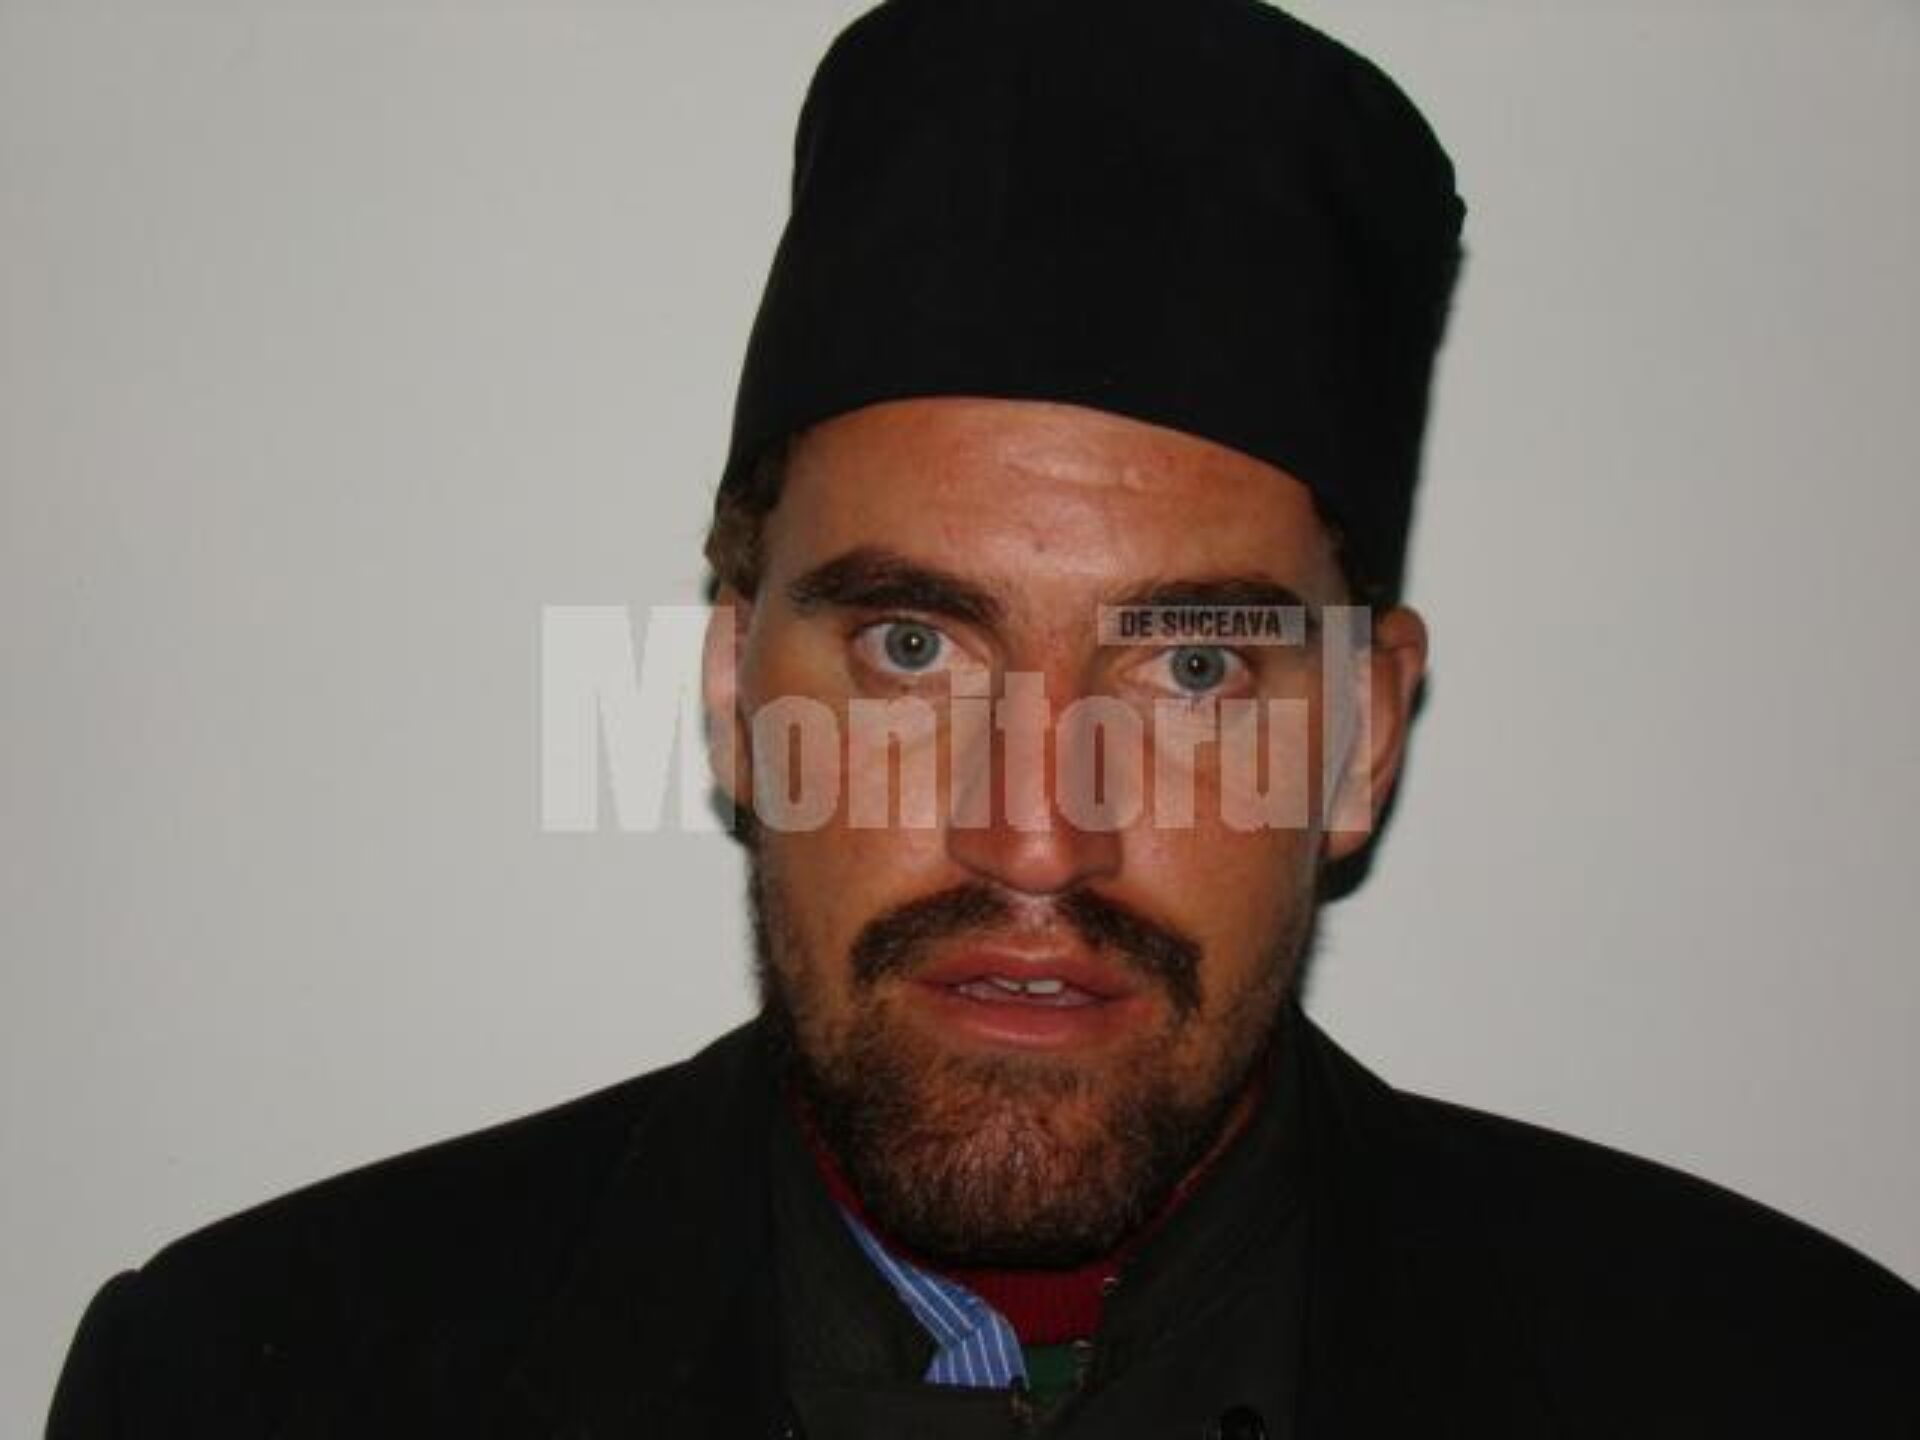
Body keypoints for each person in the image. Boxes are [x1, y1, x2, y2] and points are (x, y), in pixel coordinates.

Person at [47, 2, 1918, 1436]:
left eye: (1194, 669)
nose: (1035, 835)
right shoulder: (249, 1384)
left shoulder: (1798, 1383)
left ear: (1361, 738)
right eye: (912, 650)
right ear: (730, 691)